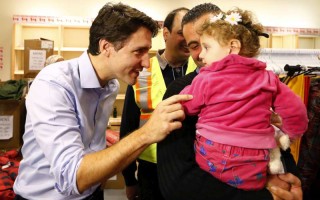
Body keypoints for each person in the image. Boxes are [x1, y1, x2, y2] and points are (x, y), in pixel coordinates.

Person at [13, 3, 192, 200]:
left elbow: (91, 148)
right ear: (106, 47)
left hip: (94, 193)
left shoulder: (111, 85)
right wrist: (148, 132)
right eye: (138, 51)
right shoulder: (54, 84)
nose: (146, 63)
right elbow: (73, 176)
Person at [157, 3, 304, 200]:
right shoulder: (180, 90)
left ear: (231, 43)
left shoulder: (264, 80)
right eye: (194, 45)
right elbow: (178, 185)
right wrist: (266, 197)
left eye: (207, 44)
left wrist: (288, 180)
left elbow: (281, 150)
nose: (201, 53)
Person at [120, 7, 197, 200]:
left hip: (194, 167)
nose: (188, 40)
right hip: (151, 171)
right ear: (166, 33)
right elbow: (128, 127)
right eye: (181, 33)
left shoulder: (203, 70)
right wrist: (129, 179)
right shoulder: (142, 71)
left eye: (193, 35)